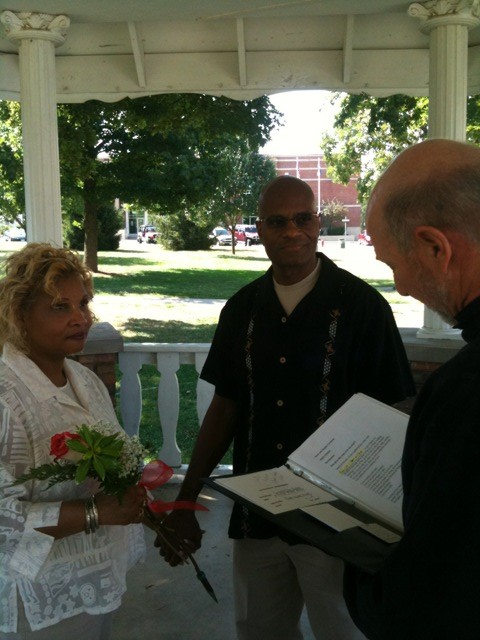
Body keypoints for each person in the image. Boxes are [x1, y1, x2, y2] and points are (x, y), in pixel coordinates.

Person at [157, 175, 415, 640]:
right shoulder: (242, 310)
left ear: (318, 223)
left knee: (343, 630)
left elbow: (392, 413)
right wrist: (185, 500)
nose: (292, 231)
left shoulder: (362, 307)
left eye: (302, 218)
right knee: (259, 629)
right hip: (257, 514)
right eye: (277, 222)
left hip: (337, 522)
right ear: (260, 229)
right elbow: (225, 407)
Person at [343, 138, 480, 639]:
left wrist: (358, 565)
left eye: (392, 264)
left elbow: (424, 610)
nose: (400, 285)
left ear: (434, 247)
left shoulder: (465, 394)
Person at [0, 243, 147, 639]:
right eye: (59, 307)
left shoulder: (83, 379)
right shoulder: (6, 399)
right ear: (19, 314)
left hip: (94, 580)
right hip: (38, 598)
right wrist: (95, 512)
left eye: (83, 303)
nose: (81, 318)